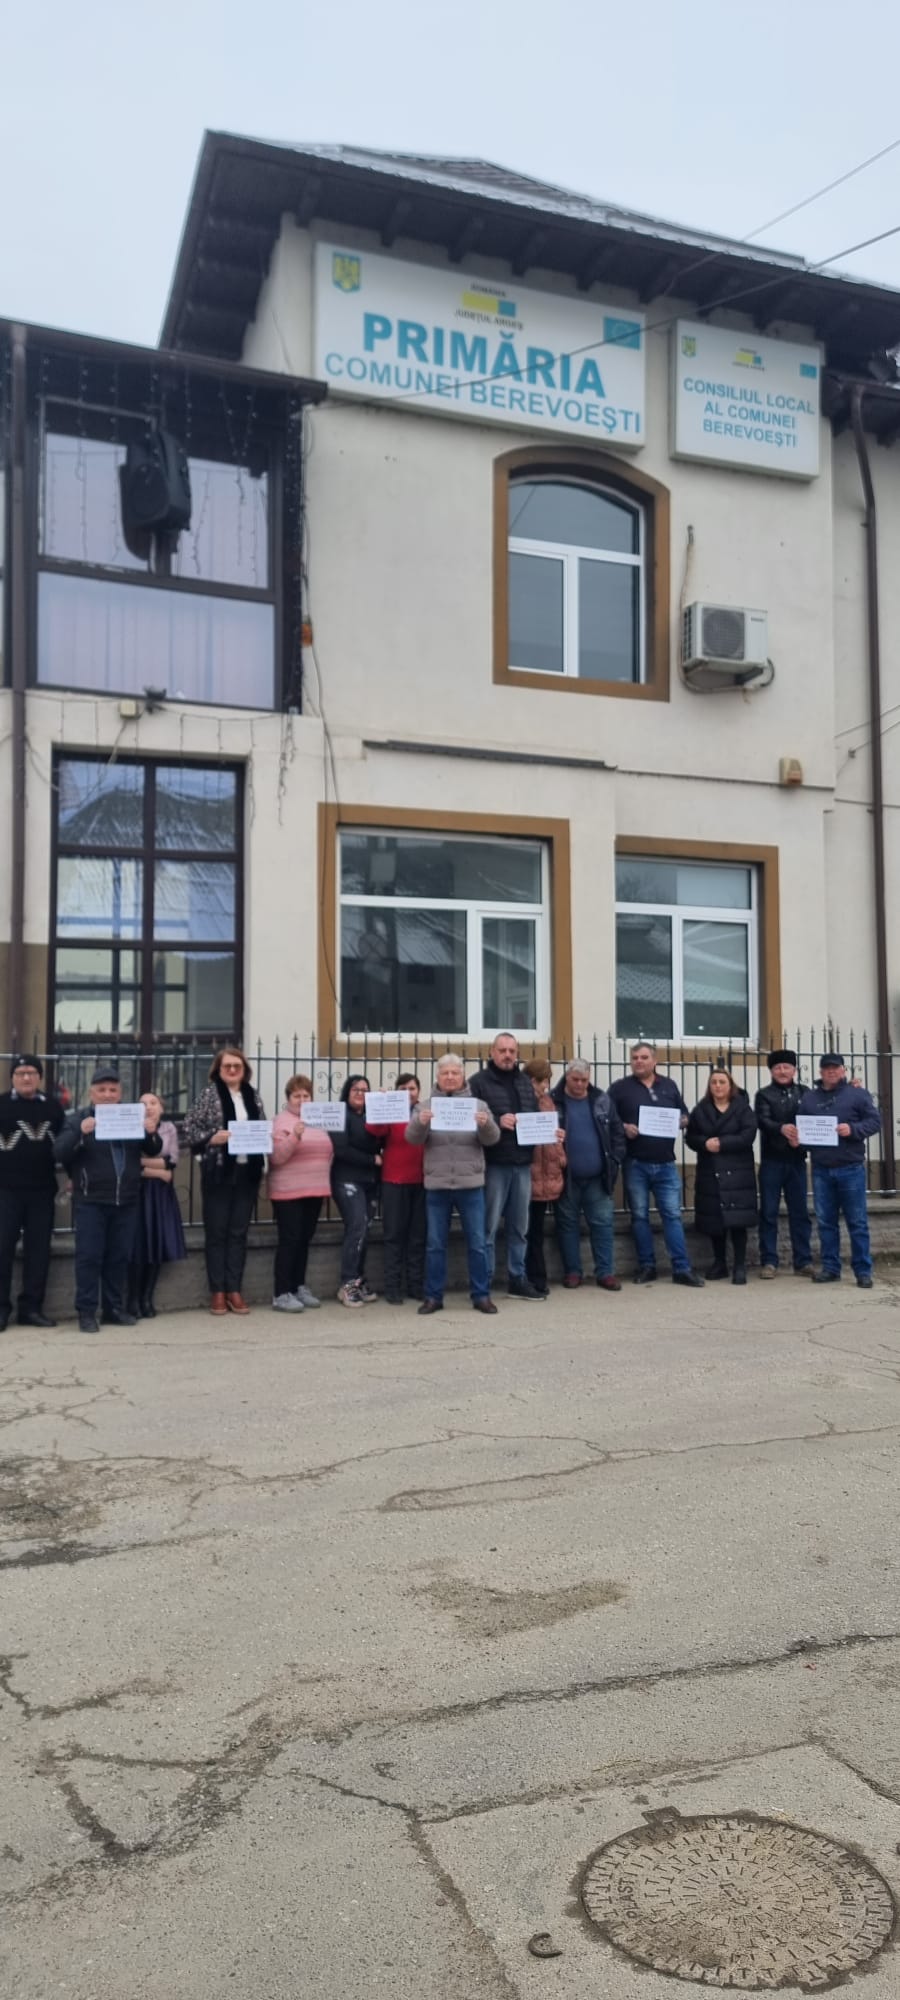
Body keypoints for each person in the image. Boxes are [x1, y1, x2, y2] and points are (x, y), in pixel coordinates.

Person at [55, 1064, 162, 1333]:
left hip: (126, 1199)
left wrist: (151, 1131)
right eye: (101, 1089)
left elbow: (153, 1149)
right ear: (91, 1092)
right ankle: (87, 1312)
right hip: (91, 1200)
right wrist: (81, 1132)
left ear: (120, 1093)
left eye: (112, 1090)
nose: (107, 1094)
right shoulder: (77, 1119)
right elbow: (59, 1152)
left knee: (118, 1257)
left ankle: (113, 1309)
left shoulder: (130, 1116)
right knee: (89, 1258)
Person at [406, 1052, 499, 1314]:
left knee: (477, 1243)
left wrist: (485, 1125)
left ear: (462, 1076)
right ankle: (433, 1296)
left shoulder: (478, 1105)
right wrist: (421, 1122)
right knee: (435, 1245)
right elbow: (412, 1138)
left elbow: (493, 1139)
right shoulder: (425, 1107)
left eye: (454, 1073)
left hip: (471, 1184)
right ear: (437, 1076)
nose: (450, 1077)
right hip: (437, 1185)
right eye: (445, 1073)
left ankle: (481, 1295)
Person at [609, 1042, 703, 1287]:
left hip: (666, 1163)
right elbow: (607, 1119)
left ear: (654, 1060)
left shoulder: (669, 1085)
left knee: (672, 1216)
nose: (638, 1061)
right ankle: (647, 1266)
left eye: (643, 1057)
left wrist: (681, 1121)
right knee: (640, 1217)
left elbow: (684, 1114)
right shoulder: (619, 1088)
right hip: (635, 1163)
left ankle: (681, 1268)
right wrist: (623, 1127)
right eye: (634, 1058)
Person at [183, 1048, 266, 1316]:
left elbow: (261, 1126)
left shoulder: (253, 1095)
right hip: (219, 1172)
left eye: (236, 1066)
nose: (232, 1070)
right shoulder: (209, 1094)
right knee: (217, 1232)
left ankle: (234, 1289)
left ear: (244, 1070)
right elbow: (189, 1126)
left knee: (238, 1232)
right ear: (218, 1070)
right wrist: (212, 1137)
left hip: (247, 1172)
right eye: (227, 1066)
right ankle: (218, 1290)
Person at [791, 1054, 881, 1286]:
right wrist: (798, 1140)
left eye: (835, 1068)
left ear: (843, 1070)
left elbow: (875, 1122)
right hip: (821, 1169)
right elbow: (804, 1130)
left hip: (851, 1168)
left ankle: (863, 1271)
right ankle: (831, 1268)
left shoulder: (858, 1094)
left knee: (857, 1222)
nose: (831, 1072)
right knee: (825, 1222)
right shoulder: (809, 1098)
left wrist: (853, 1129)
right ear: (820, 1072)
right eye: (827, 1068)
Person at [468, 1032, 542, 1300]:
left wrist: (548, 1131)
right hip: (494, 1163)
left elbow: (534, 1116)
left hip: (522, 1164)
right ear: (492, 1052)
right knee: (488, 1227)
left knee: (519, 1227)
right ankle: (484, 1280)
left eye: (512, 1051)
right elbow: (470, 1121)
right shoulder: (478, 1083)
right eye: (502, 1050)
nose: (508, 1055)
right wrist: (497, 1120)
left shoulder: (524, 1083)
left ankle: (517, 1278)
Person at [0, 1056, 65, 1331]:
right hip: (5, 1191)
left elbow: (65, 1143)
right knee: (2, 1250)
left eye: (31, 1072)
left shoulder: (53, 1107)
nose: (26, 1077)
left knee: (38, 1252)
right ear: (12, 1077)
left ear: (40, 1077)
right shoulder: (1, 1104)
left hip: (42, 1191)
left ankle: (31, 1309)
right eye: (20, 1072)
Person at [550, 1060, 627, 1290]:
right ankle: (573, 1272)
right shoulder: (553, 1101)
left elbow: (617, 1131)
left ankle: (605, 1272)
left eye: (584, 1080)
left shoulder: (601, 1099)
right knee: (567, 1226)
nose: (580, 1084)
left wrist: (615, 1159)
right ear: (567, 1077)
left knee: (603, 1224)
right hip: (566, 1177)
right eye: (575, 1080)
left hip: (598, 1177)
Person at [685, 1066, 758, 1284]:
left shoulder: (742, 1108)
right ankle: (719, 1263)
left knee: (738, 1221)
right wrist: (704, 1143)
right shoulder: (701, 1109)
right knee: (715, 1220)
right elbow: (691, 1137)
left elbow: (748, 1135)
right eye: (714, 1082)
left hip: (738, 1172)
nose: (717, 1086)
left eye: (722, 1082)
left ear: (730, 1085)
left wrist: (723, 1143)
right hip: (711, 1170)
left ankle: (739, 1265)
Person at [268, 1073, 333, 1312]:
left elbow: (328, 1151)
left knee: (304, 1240)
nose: (302, 1100)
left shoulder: (318, 1121)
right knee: (290, 1240)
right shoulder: (280, 1122)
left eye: (306, 1095)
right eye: (297, 1096)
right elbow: (276, 1157)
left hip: (315, 1189)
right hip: (288, 1192)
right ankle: (281, 1293)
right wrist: (295, 1136)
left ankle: (297, 1287)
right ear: (288, 1098)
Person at [367, 1073, 425, 1305]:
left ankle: (415, 1286)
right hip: (394, 1181)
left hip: (421, 1181)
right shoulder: (391, 1112)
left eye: (412, 1088)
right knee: (394, 1236)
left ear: (418, 1092)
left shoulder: (426, 1111)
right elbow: (374, 1130)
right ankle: (392, 1287)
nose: (408, 1092)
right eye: (403, 1088)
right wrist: (381, 1103)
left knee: (417, 1237)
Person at [754, 1049, 813, 1278]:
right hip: (772, 1161)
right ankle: (769, 1261)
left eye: (786, 1067)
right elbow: (762, 1119)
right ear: (771, 1071)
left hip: (797, 1161)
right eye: (777, 1067)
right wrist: (781, 1128)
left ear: (794, 1070)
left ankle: (803, 1261)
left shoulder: (805, 1093)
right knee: (768, 1213)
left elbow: (813, 1118)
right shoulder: (763, 1094)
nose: (782, 1071)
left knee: (800, 1213)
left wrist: (802, 1139)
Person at [127, 1092, 186, 1318]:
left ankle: (146, 1298)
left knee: (155, 1244)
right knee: (137, 1247)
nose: (149, 1107)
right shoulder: (131, 1128)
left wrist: (146, 1165)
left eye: (153, 1103)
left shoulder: (169, 1128)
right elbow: (130, 1164)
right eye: (143, 1104)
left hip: (160, 1195)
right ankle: (132, 1299)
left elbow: (171, 1161)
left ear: (161, 1108)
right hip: (137, 1192)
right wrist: (158, 1172)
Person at [331, 1075, 381, 1308]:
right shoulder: (340, 1115)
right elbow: (341, 1150)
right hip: (347, 1180)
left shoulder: (373, 1115)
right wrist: (372, 1160)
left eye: (365, 1090)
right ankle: (347, 1283)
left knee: (364, 1230)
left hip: (370, 1181)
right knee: (357, 1226)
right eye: (356, 1089)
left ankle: (358, 1279)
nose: (361, 1093)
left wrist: (386, 1103)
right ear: (347, 1092)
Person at [522, 1058, 566, 1297]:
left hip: (545, 1173)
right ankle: (528, 1276)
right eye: (543, 1082)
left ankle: (538, 1277)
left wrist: (559, 1149)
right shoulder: (522, 1100)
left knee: (536, 1230)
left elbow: (552, 1133)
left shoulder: (547, 1102)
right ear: (533, 1081)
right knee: (526, 1231)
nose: (546, 1086)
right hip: (528, 1173)